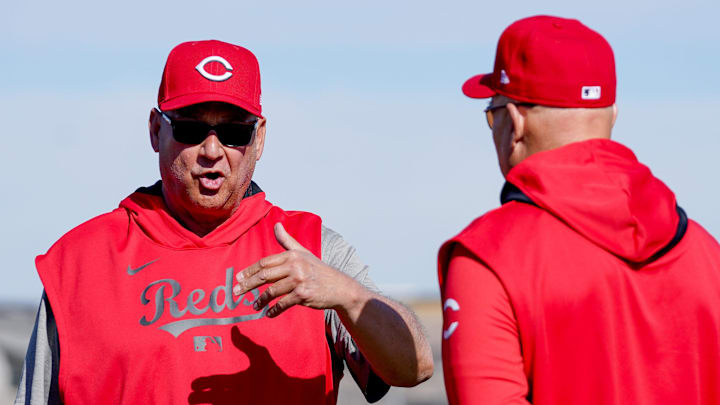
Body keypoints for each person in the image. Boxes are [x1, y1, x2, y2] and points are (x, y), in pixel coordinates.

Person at [15, 39, 433, 405]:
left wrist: (349, 296)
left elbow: (413, 368)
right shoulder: (79, 260)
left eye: (235, 132)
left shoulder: (310, 251)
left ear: (260, 138)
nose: (212, 150)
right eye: (191, 128)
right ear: (154, 130)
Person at [438, 15, 720, 405]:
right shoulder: (707, 254)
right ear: (612, 115)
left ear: (515, 121)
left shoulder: (488, 257)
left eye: (493, 114)